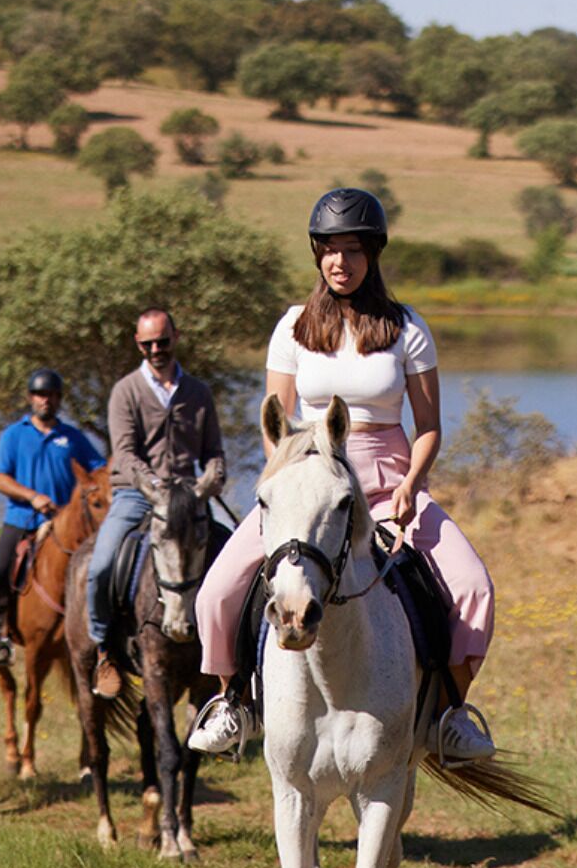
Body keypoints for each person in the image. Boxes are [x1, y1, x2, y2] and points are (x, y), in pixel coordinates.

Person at [186, 188, 499, 763]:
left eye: (352, 250)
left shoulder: (407, 328)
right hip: (308, 485)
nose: (340, 262)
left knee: (472, 586)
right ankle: (233, 703)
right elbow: (276, 421)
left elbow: (429, 426)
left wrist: (411, 485)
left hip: (387, 487)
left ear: (372, 254)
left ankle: (448, 714)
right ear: (317, 254)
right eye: (329, 250)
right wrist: (289, 485)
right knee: (216, 592)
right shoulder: (292, 327)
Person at [85, 308, 227, 699]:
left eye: (162, 342)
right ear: (138, 344)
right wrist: (151, 485)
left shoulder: (198, 392)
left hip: (188, 497)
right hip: (135, 495)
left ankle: (233, 658)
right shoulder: (125, 391)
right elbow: (125, 453)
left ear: (175, 338)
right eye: (147, 344)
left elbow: (213, 451)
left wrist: (213, 475)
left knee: (234, 562)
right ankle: (103, 649)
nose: (155, 350)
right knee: (100, 566)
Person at [0, 368, 106, 669]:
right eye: (40, 395)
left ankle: (105, 644)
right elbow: (0, 479)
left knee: (104, 571)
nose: (45, 400)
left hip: (64, 526)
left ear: (59, 399)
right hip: (22, 518)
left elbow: (98, 471)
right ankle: (1, 636)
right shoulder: (14, 434)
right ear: (30, 398)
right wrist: (32, 497)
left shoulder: (73, 438)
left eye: (51, 395)